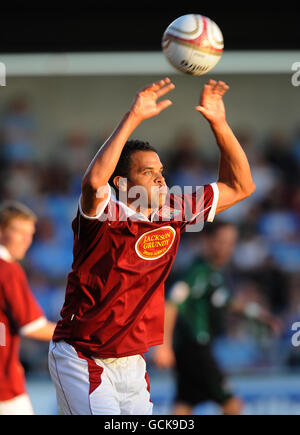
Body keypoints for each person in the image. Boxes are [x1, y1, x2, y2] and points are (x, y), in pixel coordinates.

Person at [48, 77, 256, 415]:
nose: (160, 177)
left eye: (161, 170)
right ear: (122, 183)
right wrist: (133, 116)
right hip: (84, 357)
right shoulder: (104, 214)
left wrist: (219, 124)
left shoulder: (175, 210)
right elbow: (93, 181)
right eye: (148, 172)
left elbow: (241, 185)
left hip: (132, 363)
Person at [153, 221, 282, 415]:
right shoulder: (197, 272)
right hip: (196, 347)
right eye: (222, 241)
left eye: (231, 242)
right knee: (232, 405)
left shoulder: (213, 274)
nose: (227, 248)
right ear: (207, 241)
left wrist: (260, 316)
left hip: (193, 349)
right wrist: (163, 346)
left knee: (184, 404)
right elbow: (171, 304)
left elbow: (229, 302)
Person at [0, 201, 56, 415]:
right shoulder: (8, 270)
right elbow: (32, 327)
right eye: (19, 232)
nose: (26, 240)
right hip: (5, 386)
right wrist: (83, 334)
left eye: (30, 233)